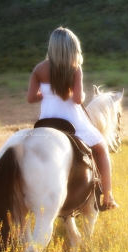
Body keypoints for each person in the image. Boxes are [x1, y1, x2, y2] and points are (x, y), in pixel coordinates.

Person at [26, 27, 118, 210]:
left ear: (52, 47)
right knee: (101, 149)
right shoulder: (75, 69)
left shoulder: (39, 69)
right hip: (72, 122)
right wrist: (82, 95)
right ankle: (108, 197)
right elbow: (77, 99)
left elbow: (30, 98)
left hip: (46, 122)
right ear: (72, 48)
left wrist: (46, 94)